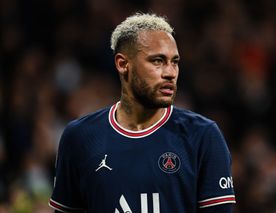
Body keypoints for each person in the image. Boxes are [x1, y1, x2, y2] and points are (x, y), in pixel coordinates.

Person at [49, 13, 236, 213]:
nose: (170, 72)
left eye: (175, 62)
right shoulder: (80, 137)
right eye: (157, 61)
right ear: (122, 64)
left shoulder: (203, 135)